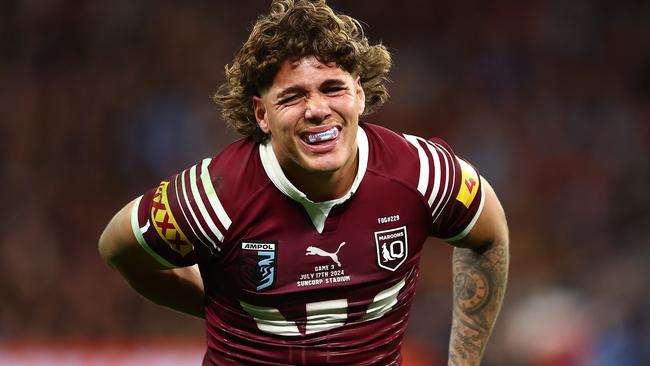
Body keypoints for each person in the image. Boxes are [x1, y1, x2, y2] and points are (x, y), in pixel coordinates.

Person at [98, 0, 509, 364]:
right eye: (292, 96)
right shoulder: (211, 199)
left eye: (333, 88)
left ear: (359, 95)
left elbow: (487, 236)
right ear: (262, 114)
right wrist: (214, 303)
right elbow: (119, 248)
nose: (317, 110)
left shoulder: (423, 174)